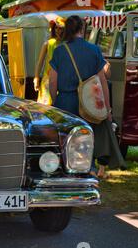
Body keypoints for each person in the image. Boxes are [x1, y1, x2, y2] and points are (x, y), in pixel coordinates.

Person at [49, 15, 126, 178]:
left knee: (66, 138)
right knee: (86, 137)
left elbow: (52, 80)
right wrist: (107, 106)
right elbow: (102, 81)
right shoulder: (94, 50)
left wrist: (55, 101)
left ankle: (66, 170)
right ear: (82, 30)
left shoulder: (59, 51)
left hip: (65, 102)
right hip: (89, 103)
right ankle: (88, 169)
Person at [33, 17, 65, 105]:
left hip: (62, 81)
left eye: (61, 28)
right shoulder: (48, 43)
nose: (58, 31)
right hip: (47, 80)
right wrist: (36, 78)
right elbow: (40, 62)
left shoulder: (67, 45)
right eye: (56, 28)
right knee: (44, 108)